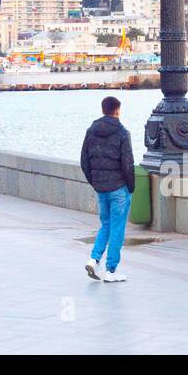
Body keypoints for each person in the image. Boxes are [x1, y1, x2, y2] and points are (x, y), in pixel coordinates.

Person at [80, 96, 135, 283]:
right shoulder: (122, 133)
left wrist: (95, 182)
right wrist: (131, 186)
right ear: (117, 110)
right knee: (117, 228)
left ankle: (94, 259)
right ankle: (111, 270)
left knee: (105, 225)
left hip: (101, 188)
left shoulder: (91, 131)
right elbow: (128, 163)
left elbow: (84, 161)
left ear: (103, 109)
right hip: (119, 187)